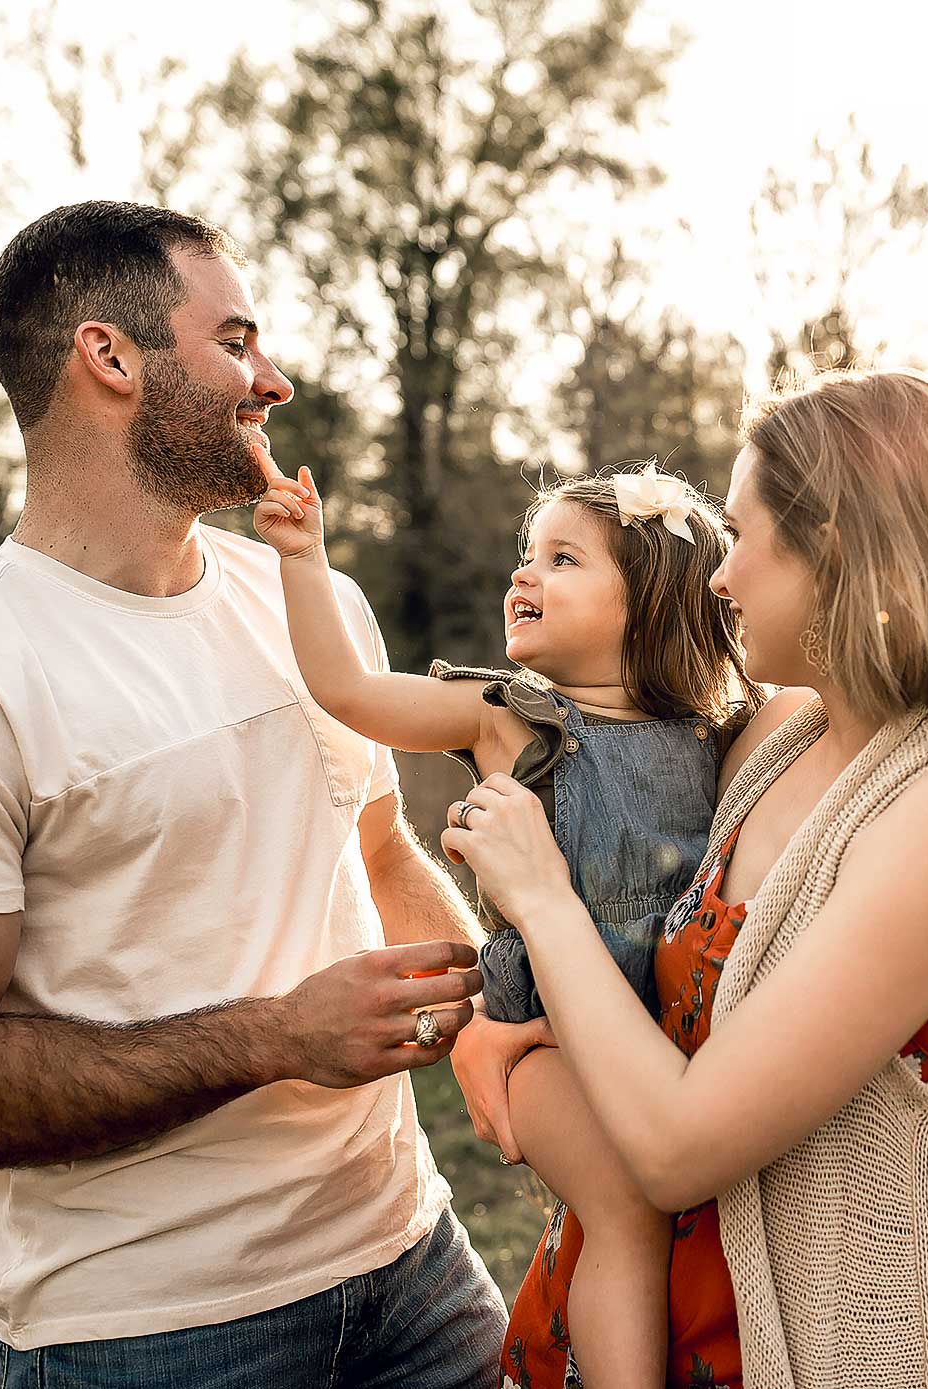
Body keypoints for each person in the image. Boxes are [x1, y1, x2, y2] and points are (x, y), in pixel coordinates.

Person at [0, 200, 510, 1387]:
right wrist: (275, 1040)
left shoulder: (314, 607)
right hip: (152, 1332)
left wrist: (491, 1014)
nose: (271, 380)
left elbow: (378, 855)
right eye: (234, 340)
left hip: (415, 1261)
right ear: (109, 356)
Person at [449, 369, 928, 1387]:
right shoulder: (779, 738)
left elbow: (678, 1146)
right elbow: (629, 934)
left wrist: (539, 901)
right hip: (625, 1334)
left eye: (739, 538)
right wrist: (498, 1029)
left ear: (835, 553)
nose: (718, 578)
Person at [250, 456, 755, 1387]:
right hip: (542, 1043)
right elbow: (350, 692)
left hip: (657, 1043)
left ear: (650, 603)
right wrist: (303, 561)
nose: (524, 573)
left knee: (682, 1215)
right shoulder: (507, 718)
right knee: (625, 1212)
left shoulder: (716, 733)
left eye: (564, 559)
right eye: (529, 554)